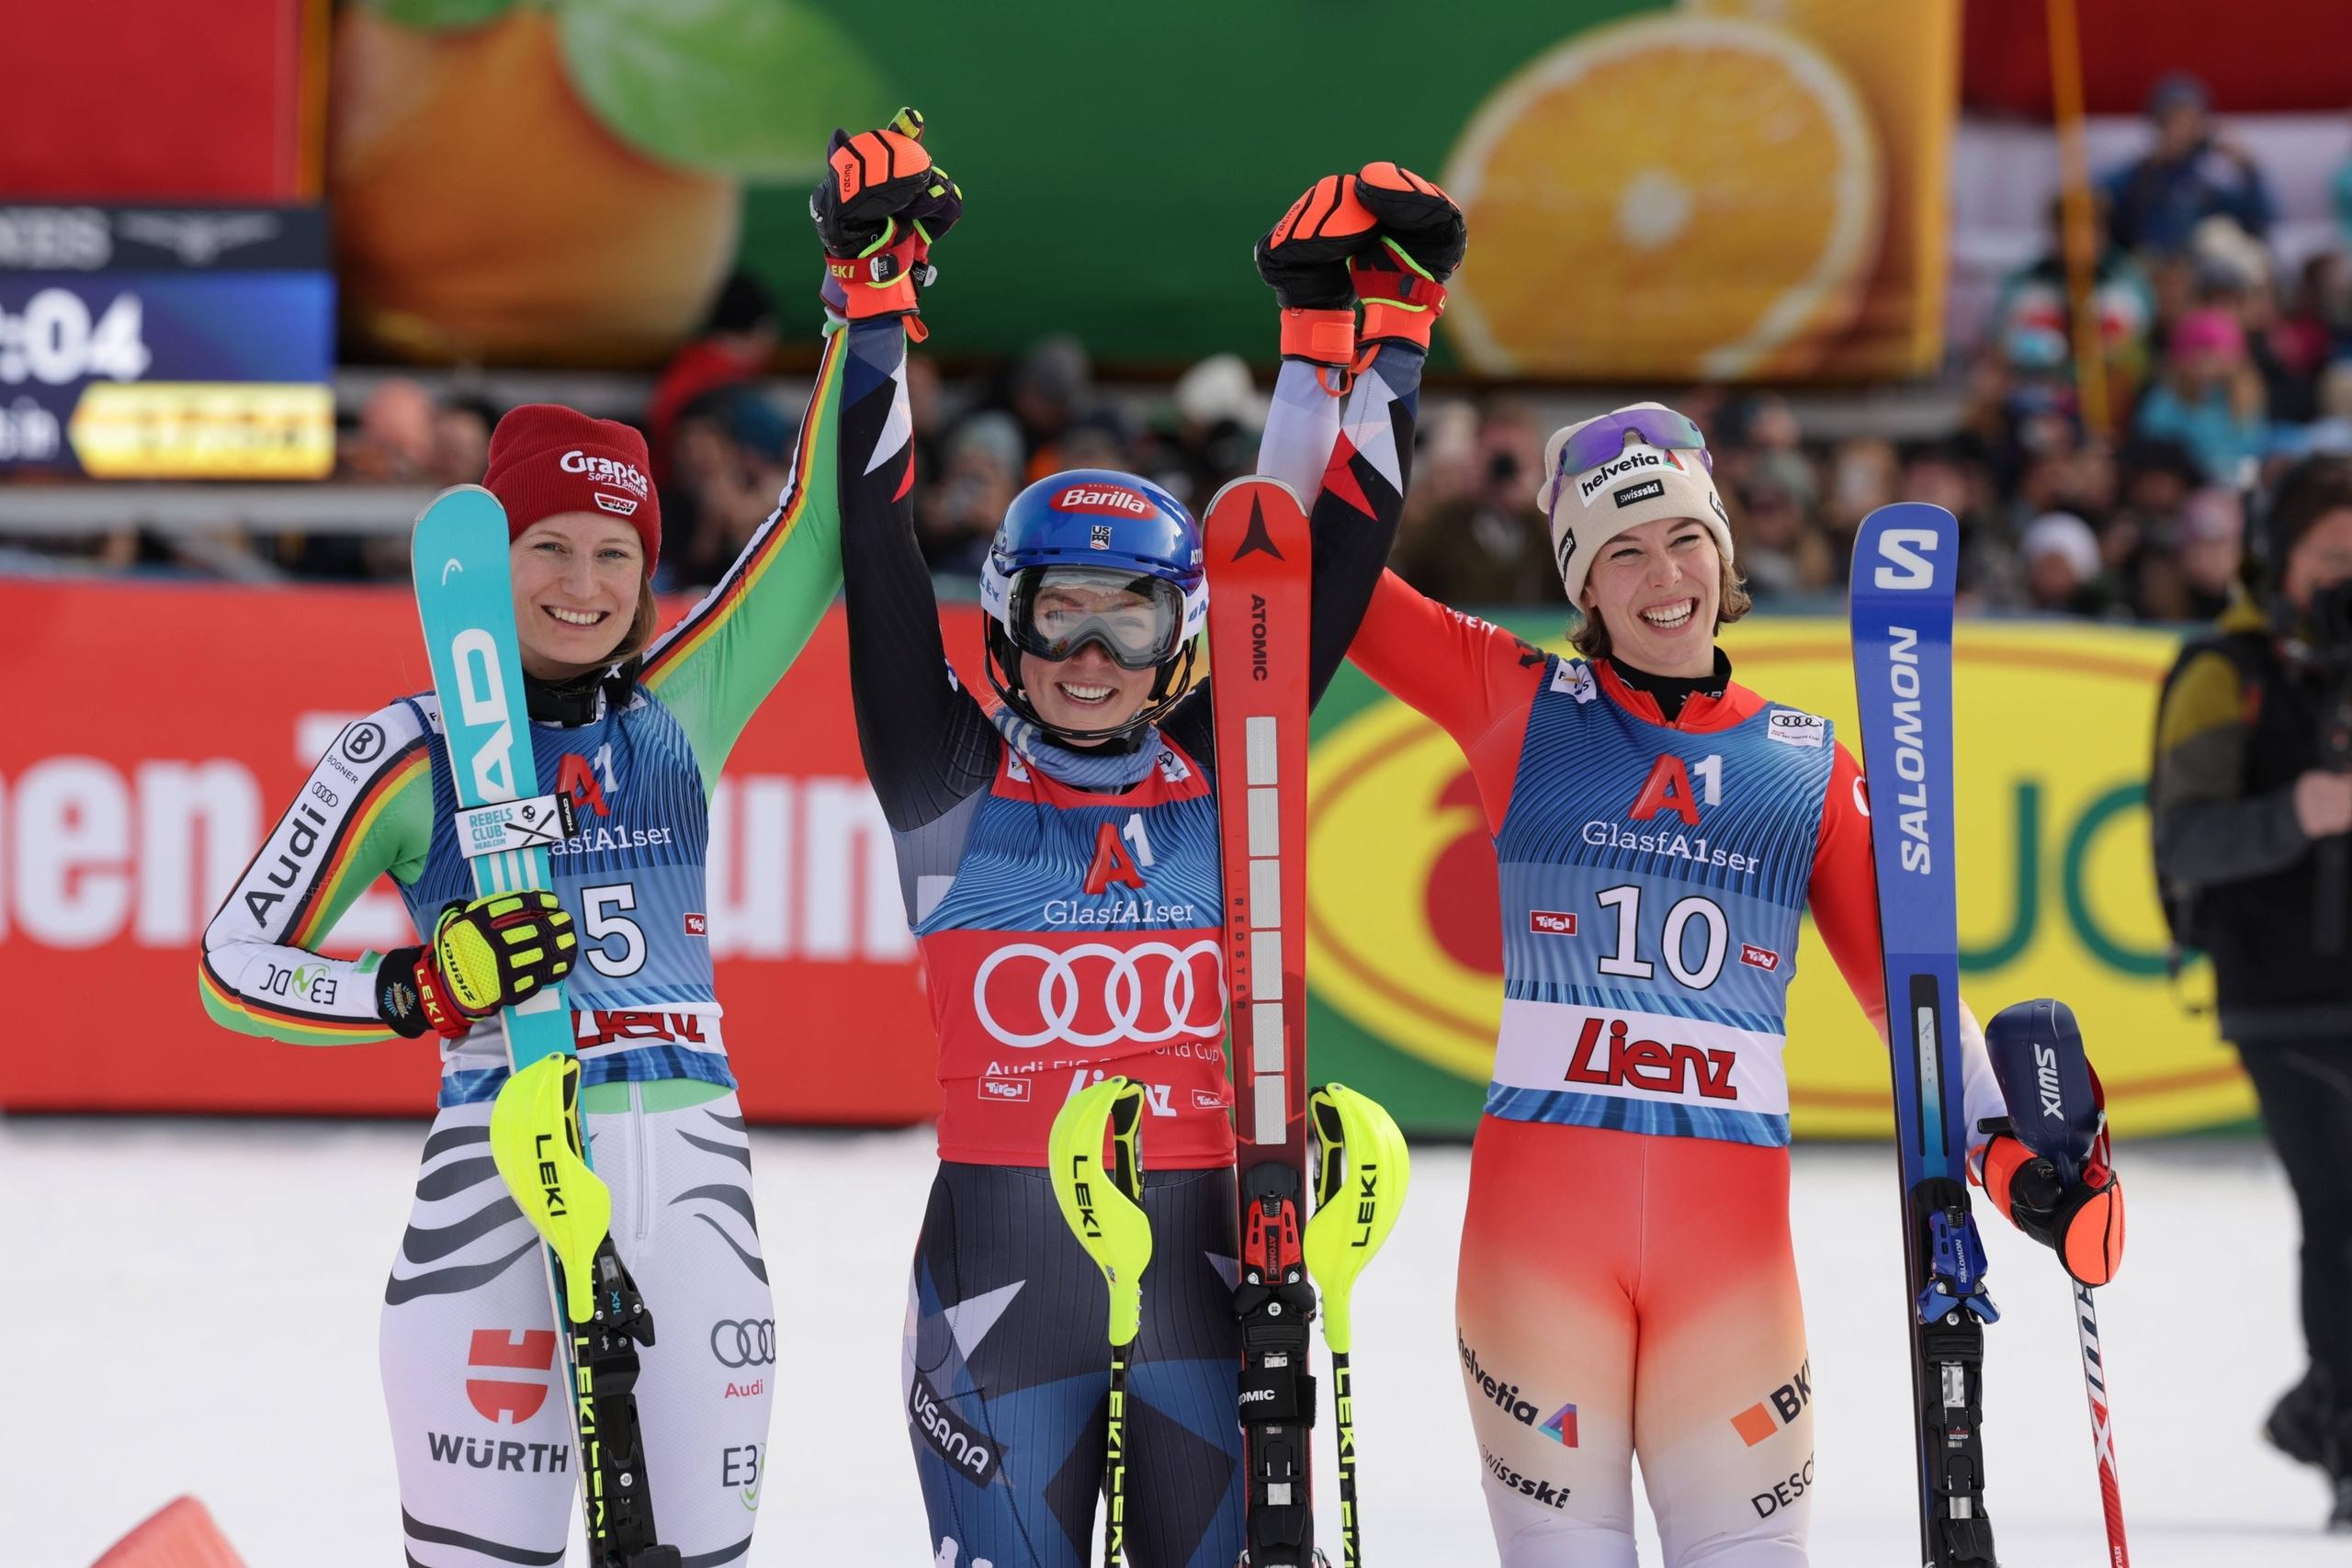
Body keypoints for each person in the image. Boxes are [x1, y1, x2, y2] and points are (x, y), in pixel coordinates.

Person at [195, 115, 950, 1566]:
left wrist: (870, 310)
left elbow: (807, 534)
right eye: (547, 546)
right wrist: (416, 988)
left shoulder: (678, 710)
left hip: (690, 1178)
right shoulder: (405, 749)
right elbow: (234, 961)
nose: (586, 581)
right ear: (489, 557)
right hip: (490, 1174)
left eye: (615, 553)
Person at [1295, 400, 2126, 1563]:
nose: (1661, 575)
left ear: (1725, 551)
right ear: (1582, 587)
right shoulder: (1517, 702)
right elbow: (1306, 566)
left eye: (1685, 538)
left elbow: (1910, 1000)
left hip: (1725, 1272)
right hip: (1540, 1258)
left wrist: (2010, 1152)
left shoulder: (1802, 762)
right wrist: (1345, 361)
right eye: (1619, 552)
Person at [842, 162, 1454, 1567]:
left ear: (1180, 636)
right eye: (1061, 615)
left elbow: (1303, 560)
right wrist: (872, 309)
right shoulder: (947, 774)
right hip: (1003, 1282)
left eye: (1132, 622)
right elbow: (870, 537)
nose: (1092, 661)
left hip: (1214, 1259)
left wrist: (1370, 340)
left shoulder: (1224, 761)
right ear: (1006, 618)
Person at [2152, 455, 2352, 1528]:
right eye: (2332, 558)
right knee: (2342, 1217)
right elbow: (2183, 839)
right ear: (2278, 558)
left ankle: (2321, 1412)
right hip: (2284, 995)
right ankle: (2341, 1439)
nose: (2347, 580)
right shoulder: (2222, 670)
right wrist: (2300, 811)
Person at [2104, 72, 2274, 256]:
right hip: (2144, 267)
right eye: (2175, 120)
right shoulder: (2137, 177)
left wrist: (2247, 169)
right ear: (2158, 124)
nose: (2182, 131)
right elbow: (2100, 201)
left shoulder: (2207, 180)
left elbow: (2258, 219)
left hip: (2198, 271)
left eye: (2191, 122)